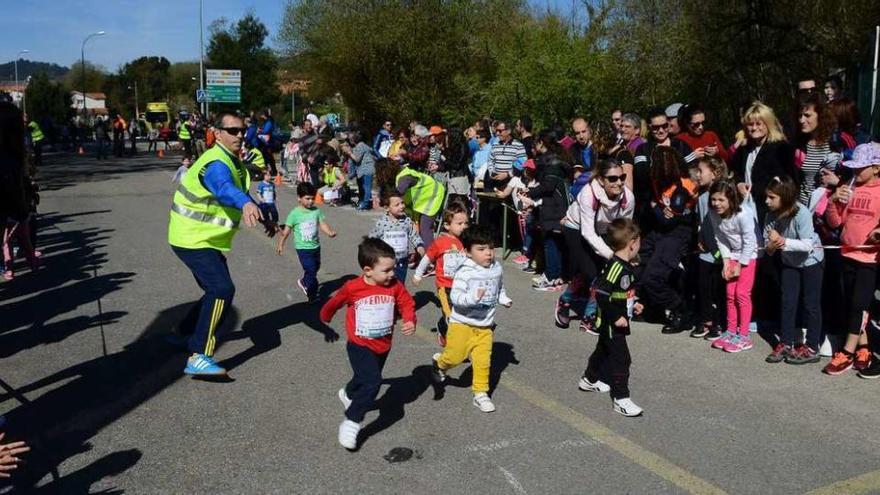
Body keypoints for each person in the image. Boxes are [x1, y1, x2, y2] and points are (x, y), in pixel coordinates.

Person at [167, 112, 266, 377]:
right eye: (232, 131)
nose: (239, 135)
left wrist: (262, 212)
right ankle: (199, 355)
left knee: (216, 289)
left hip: (203, 239)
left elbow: (239, 191)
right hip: (192, 238)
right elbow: (223, 187)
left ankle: (183, 334)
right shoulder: (216, 163)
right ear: (217, 133)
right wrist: (245, 203)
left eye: (242, 130)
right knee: (221, 289)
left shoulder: (234, 162)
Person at [320, 237, 416, 450]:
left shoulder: (395, 286)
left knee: (363, 378)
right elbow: (335, 302)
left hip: (383, 345)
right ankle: (352, 420)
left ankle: (347, 393)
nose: (392, 274)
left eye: (393, 269)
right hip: (359, 344)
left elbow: (407, 303)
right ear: (367, 270)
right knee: (373, 382)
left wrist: (410, 319)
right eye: (387, 270)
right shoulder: (353, 287)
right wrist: (325, 316)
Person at [430, 225, 513, 413]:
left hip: (485, 326)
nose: (488, 254)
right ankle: (440, 364)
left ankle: (480, 393)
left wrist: (503, 299)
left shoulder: (496, 268)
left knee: (483, 361)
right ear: (468, 252)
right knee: (454, 357)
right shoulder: (464, 272)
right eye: (481, 249)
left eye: (491, 248)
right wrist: (473, 298)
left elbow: (499, 288)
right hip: (462, 324)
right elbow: (456, 299)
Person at [555, 159, 635, 333]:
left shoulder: (628, 198)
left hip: (604, 231)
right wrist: (612, 257)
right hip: (577, 228)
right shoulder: (588, 194)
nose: (619, 182)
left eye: (622, 177)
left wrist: (627, 253)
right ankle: (566, 301)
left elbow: (625, 228)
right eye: (612, 179)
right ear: (600, 180)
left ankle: (589, 316)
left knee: (602, 273)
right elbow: (588, 232)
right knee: (592, 272)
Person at [822, 143, 880, 376]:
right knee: (851, 305)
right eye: (853, 169)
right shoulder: (850, 187)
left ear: (876, 167)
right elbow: (835, 222)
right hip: (846, 253)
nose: (856, 173)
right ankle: (864, 347)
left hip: (869, 258)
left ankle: (846, 351)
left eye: (861, 169)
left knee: (859, 305)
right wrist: (833, 201)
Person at [578, 218, 645, 417]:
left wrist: (635, 302)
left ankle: (589, 379)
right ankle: (621, 398)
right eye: (639, 241)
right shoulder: (616, 267)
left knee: (603, 350)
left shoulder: (626, 266)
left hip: (619, 317)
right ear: (632, 243)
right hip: (610, 321)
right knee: (622, 359)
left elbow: (622, 290)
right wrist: (616, 316)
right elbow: (601, 293)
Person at [762, 176, 824, 364]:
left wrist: (782, 241)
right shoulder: (770, 215)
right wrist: (772, 245)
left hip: (811, 261)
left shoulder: (801, 213)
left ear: (785, 197)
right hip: (789, 261)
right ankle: (786, 342)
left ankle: (812, 347)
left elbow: (807, 245)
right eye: (767, 197)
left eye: (772, 197)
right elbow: (768, 248)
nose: (767, 201)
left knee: (810, 304)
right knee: (788, 301)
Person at [636, 146, 697, 333]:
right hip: (659, 230)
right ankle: (654, 309)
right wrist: (655, 207)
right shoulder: (659, 182)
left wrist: (654, 206)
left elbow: (668, 220)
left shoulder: (681, 188)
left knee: (652, 277)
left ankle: (681, 311)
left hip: (677, 233)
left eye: (654, 163)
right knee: (640, 262)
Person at [708, 180, 758, 353]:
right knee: (730, 295)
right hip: (733, 255)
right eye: (714, 199)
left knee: (741, 294)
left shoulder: (743, 214)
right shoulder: (713, 213)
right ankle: (731, 331)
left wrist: (741, 264)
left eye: (721, 200)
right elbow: (720, 238)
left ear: (730, 199)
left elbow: (750, 241)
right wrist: (726, 262)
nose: (716, 204)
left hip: (748, 255)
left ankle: (744, 336)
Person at [523, 130, 572, 291]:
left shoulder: (551, 162)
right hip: (555, 205)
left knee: (550, 242)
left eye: (534, 145)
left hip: (554, 207)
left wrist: (530, 192)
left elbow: (548, 186)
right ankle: (558, 275)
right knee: (556, 242)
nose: (532, 149)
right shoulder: (557, 159)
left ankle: (551, 276)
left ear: (540, 144)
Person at [413, 203, 469, 346]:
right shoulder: (440, 242)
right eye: (459, 223)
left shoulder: (465, 242)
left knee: (462, 313)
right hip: (445, 286)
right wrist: (418, 274)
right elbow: (427, 258)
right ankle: (449, 336)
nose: (464, 226)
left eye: (466, 223)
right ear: (447, 225)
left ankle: (444, 327)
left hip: (462, 285)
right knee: (450, 315)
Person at [276, 182, 337, 302]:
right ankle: (312, 294)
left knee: (316, 267)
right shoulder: (294, 214)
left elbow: (321, 224)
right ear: (299, 198)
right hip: (303, 248)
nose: (310, 201)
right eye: (307, 198)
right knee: (311, 270)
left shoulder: (316, 211)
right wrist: (280, 244)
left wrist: (329, 232)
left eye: (312, 198)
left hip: (315, 246)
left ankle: (304, 281)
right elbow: (286, 231)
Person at [691, 156, 728, 340]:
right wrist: (699, 238)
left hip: (721, 250)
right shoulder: (701, 196)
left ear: (715, 174)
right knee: (703, 286)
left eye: (701, 171)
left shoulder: (721, 197)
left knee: (719, 288)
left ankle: (719, 321)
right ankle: (706, 319)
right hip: (705, 249)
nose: (697, 174)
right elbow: (700, 222)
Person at [368, 191, 425, 282]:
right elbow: (372, 240)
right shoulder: (382, 223)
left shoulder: (406, 221)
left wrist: (419, 246)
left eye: (402, 203)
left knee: (399, 284)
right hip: (385, 261)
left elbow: (414, 235)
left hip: (402, 262)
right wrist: (372, 256)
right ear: (387, 208)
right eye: (397, 205)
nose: (402, 206)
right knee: (385, 285)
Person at [346, 130, 376, 210]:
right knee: (361, 187)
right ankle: (362, 202)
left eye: (350, 139)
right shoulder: (358, 146)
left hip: (367, 169)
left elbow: (357, 159)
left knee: (367, 187)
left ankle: (365, 204)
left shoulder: (361, 146)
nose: (349, 140)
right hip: (361, 170)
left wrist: (349, 153)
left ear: (354, 139)